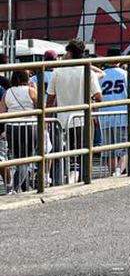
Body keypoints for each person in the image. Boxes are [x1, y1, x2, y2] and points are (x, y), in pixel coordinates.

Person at [47, 40, 100, 185]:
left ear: (69, 53)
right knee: (84, 151)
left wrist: (46, 119)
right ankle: (83, 179)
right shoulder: (87, 70)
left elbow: (50, 99)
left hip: (62, 120)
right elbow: (98, 96)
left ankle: (68, 178)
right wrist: (94, 109)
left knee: (67, 152)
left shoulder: (57, 71)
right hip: (83, 117)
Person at [1, 68, 38, 194]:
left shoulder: (7, 92)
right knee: (25, 160)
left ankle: (25, 187)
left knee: (18, 159)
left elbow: (2, 111)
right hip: (29, 125)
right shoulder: (31, 91)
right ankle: (14, 188)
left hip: (11, 127)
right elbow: (41, 108)